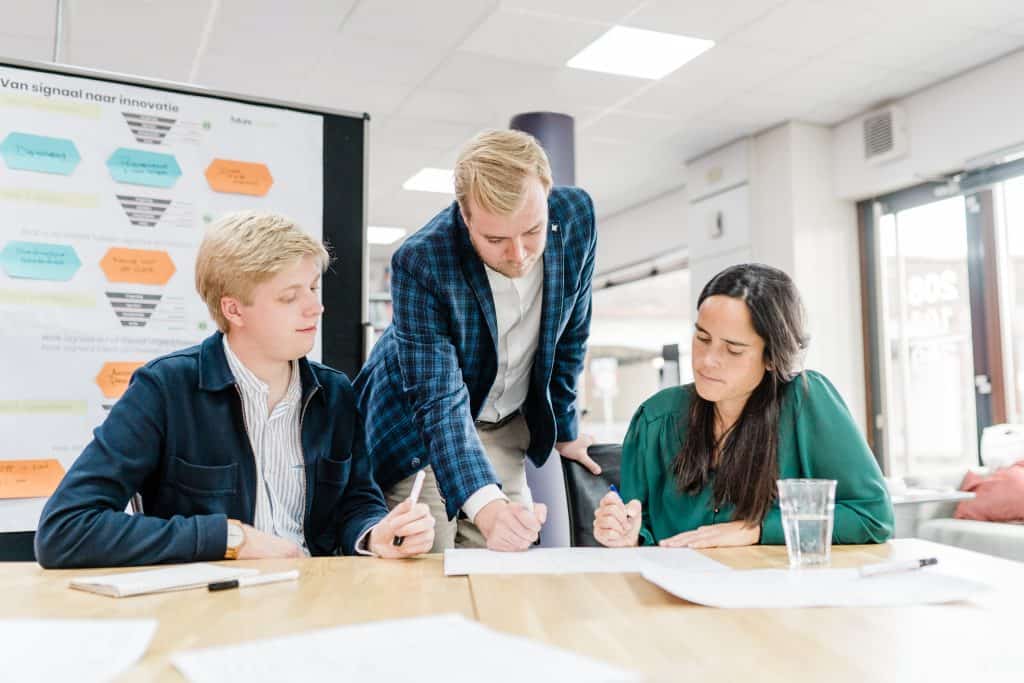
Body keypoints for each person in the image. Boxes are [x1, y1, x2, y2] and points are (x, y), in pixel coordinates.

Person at [35, 211, 434, 568]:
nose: (316, 308)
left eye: (313, 288)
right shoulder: (165, 389)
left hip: (317, 598)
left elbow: (355, 503)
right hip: (214, 606)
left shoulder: (335, 392)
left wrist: (373, 533)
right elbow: (66, 528)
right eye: (290, 296)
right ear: (233, 310)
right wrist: (230, 539)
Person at [355, 129, 598, 552]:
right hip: (422, 431)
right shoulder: (422, 261)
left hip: (503, 425)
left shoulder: (577, 217)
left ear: (547, 192)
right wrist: (485, 506)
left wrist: (565, 428)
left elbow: (570, 336)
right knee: (429, 562)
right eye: (496, 240)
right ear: (464, 217)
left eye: (532, 231)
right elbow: (438, 401)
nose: (519, 254)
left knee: (508, 563)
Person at [593, 263, 893, 549]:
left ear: (773, 356)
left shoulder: (806, 401)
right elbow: (640, 527)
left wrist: (755, 529)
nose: (707, 360)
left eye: (733, 350)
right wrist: (625, 534)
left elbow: (872, 516)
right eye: (702, 338)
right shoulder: (655, 418)